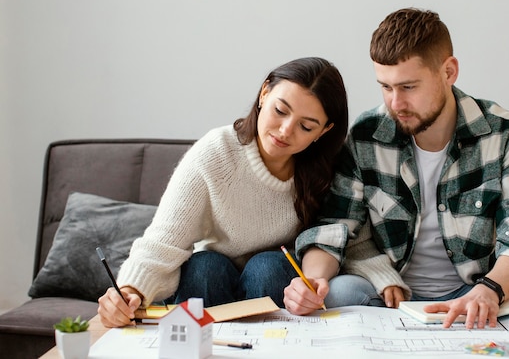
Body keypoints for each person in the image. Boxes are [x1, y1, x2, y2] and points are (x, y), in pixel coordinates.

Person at [284, 8, 509, 329]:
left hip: (477, 286)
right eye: (385, 87)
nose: (395, 104)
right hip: (393, 292)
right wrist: (310, 283)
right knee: (338, 292)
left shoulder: (503, 131)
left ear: (448, 72)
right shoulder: (368, 134)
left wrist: (490, 289)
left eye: (408, 87)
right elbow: (336, 225)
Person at [98, 57, 349, 328]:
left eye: (306, 126)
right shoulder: (216, 153)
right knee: (205, 265)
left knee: (267, 266)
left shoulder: (329, 169)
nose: (285, 130)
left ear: (324, 131)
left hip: (277, 280)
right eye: (280, 110)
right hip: (211, 279)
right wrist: (130, 292)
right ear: (264, 93)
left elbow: (347, 234)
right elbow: (164, 240)